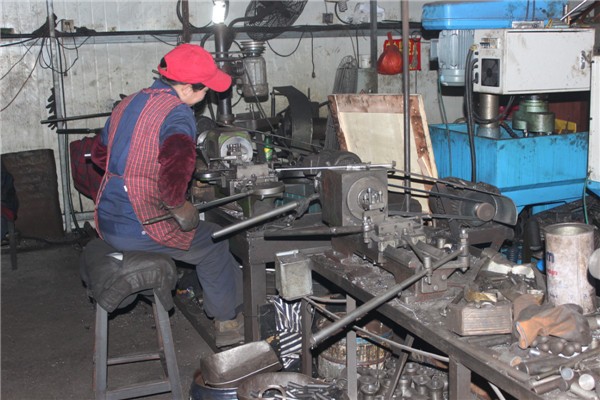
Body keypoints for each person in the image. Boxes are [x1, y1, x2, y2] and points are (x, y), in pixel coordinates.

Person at [90, 43, 244, 348]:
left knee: (203, 241)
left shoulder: (128, 102)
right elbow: (178, 163)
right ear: (186, 88)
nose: (207, 95)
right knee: (214, 242)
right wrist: (177, 204)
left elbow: (98, 154)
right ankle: (227, 322)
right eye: (205, 90)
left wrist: (133, 172)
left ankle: (210, 295)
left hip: (107, 218)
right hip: (139, 224)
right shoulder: (177, 113)